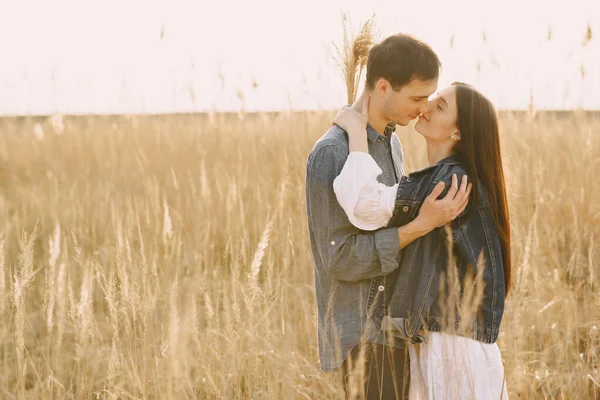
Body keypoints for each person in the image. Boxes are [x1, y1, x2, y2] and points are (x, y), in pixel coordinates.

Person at [304, 33, 471, 399]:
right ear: (383, 87)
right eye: (416, 97)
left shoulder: (392, 143)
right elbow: (339, 259)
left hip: (395, 330)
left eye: (428, 97)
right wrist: (420, 226)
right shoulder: (330, 153)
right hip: (361, 337)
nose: (423, 107)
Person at [331, 82, 510, 399]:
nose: (425, 107)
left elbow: (363, 204)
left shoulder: (447, 181)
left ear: (458, 133)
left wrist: (356, 131)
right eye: (431, 99)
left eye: (439, 106)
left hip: (452, 353)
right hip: (457, 347)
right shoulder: (458, 176)